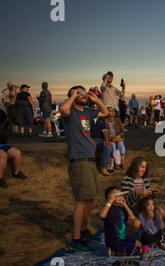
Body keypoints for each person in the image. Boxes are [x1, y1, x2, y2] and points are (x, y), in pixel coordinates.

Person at [59, 86, 109, 251]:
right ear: (72, 95)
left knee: (91, 197)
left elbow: (105, 112)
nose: (82, 95)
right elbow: (62, 108)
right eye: (78, 93)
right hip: (78, 160)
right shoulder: (70, 113)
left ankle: (84, 230)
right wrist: (73, 96)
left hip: (89, 159)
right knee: (82, 200)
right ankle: (76, 238)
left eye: (83, 93)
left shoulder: (87, 112)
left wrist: (95, 99)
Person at [0, 100, 27, 188]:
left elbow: (3, 114)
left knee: (17, 153)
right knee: (2, 155)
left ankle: (16, 172)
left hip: (2, 145)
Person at [100, 186, 142, 256]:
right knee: (139, 251)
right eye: (117, 195)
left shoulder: (121, 209)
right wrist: (110, 201)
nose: (120, 197)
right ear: (110, 197)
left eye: (121, 195)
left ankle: (118, 251)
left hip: (123, 237)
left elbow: (132, 218)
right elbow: (102, 215)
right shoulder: (109, 209)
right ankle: (115, 253)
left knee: (140, 244)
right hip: (114, 241)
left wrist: (125, 205)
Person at [90, 104, 111, 176]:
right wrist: (90, 140)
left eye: (96, 108)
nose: (95, 109)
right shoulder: (87, 117)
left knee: (107, 146)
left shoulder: (101, 118)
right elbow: (85, 131)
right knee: (92, 147)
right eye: (93, 108)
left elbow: (104, 131)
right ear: (91, 109)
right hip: (90, 139)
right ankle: (91, 168)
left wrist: (107, 140)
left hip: (99, 139)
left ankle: (103, 167)